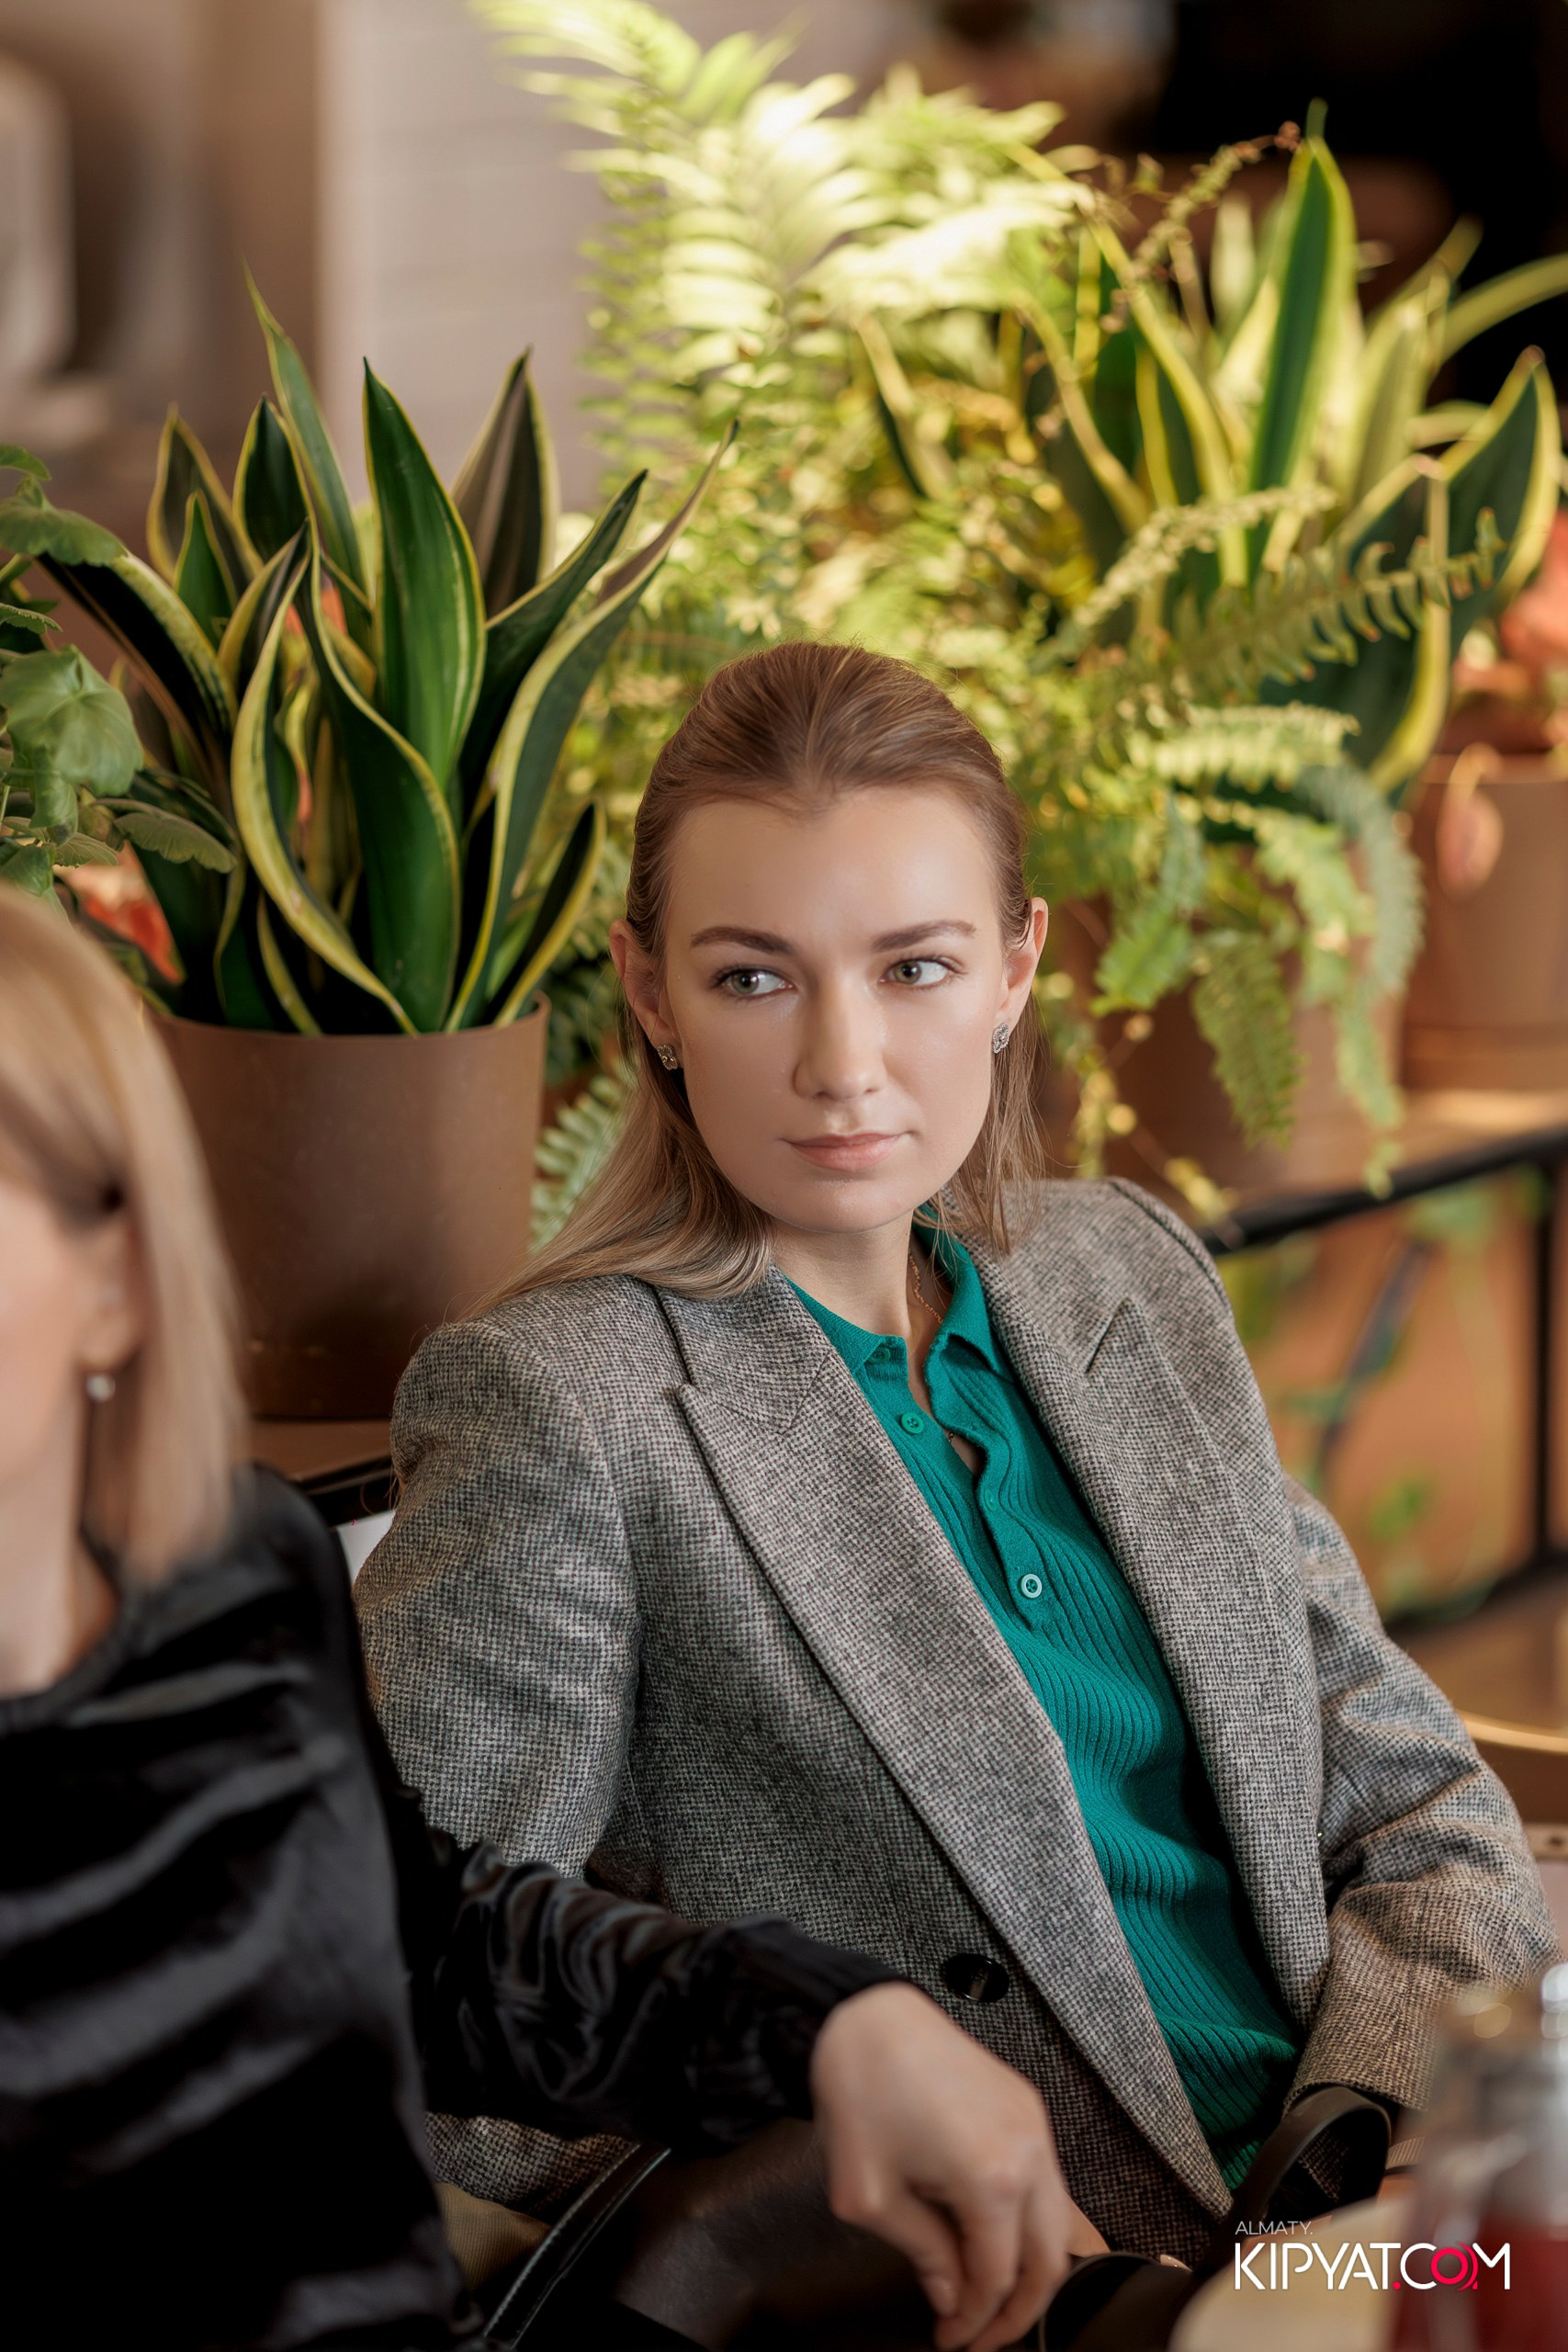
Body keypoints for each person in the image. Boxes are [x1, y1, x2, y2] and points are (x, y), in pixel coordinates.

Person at [356, 639, 1560, 2264]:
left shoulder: (1121, 1268)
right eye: (755, 978)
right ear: (649, 993)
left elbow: (1408, 1789)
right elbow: (414, 2020)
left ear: (1015, 969)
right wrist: (855, 2228)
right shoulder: (561, 1407)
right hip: (1034, 2288)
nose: (843, 1065)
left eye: (914, 968)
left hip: (1375, 2186)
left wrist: (1379, 2141)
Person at [0, 882, 1094, 2352]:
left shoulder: (230, 1578)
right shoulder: (551, 1401)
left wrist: (832, 2026)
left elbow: (422, 1949)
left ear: (117, 1281)